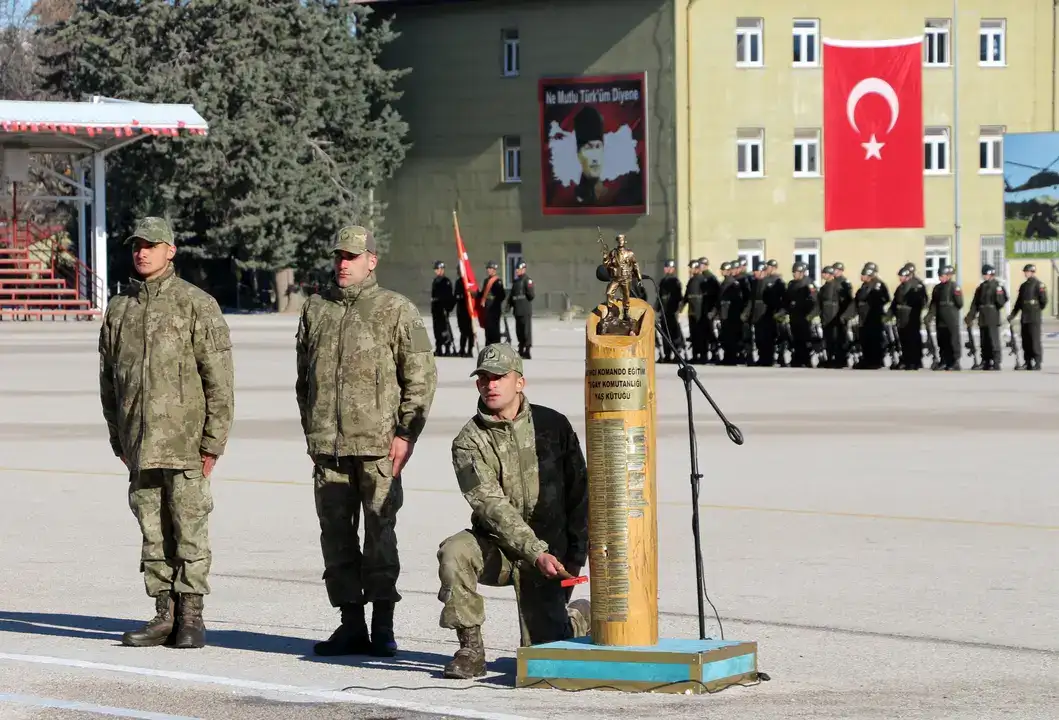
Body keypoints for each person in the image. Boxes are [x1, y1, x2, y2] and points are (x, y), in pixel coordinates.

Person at [296, 225, 438, 658]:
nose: (343, 263)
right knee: (336, 539)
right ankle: (351, 624)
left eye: (352, 257)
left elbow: (421, 377)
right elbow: (305, 380)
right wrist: (313, 430)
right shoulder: (316, 310)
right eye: (339, 256)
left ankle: (383, 625)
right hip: (329, 449)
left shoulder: (396, 309)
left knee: (380, 537)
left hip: (379, 447)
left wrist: (406, 434)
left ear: (371, 261)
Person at [98, 216, 235, 650]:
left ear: (170, 250)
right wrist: (119, 438)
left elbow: (219, 380)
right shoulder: (120, 309)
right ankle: (164, 613)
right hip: (139, 445)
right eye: (136, 245)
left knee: (190, 531)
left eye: (151, 245)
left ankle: (191, 616)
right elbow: (108, 380)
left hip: (185, 445)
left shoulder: (197, 304)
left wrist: (213, 442)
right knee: (152, 532)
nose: (142, 252)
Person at [437, 343, 591, 680]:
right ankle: (470, 650)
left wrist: (576, 552)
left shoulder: (553, 425)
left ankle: (578, 618)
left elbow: (579, 490)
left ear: (519, 382)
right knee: (454, 551)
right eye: (483, 378)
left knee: (541, 660)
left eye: (499, 377)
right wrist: (534, 551)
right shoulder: (469, 441)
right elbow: (490, 505)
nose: (490, 385)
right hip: (499, 548)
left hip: (550, 555)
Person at [1008, 263, 1048, 370]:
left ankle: (1037, 362)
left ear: (1032, 272)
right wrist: (1012, 314)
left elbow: (1043, 301)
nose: (1026, 273)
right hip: (1025, 317)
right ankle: (1028, 362)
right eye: (1025, 272)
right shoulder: (1023, 286)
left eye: (1027, 271)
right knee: (1025, 341)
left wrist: (1036, 310)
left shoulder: (1039, 285)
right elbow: (1019, 302)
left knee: (1034, 340)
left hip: (1034, 317)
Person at [506, 261, 535, 359]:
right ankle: (521, 348)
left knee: (526, 331)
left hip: (525, 310)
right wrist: (508, 306)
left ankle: (527, 350)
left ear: (523, 269)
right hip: (517, 311)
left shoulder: (527, 281)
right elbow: (511, 296)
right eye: (516, 269)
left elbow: (531, 296)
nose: (517, 271)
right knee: (519, 331)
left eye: (518, 269)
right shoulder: (516, 282)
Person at [430, 261, 456, 356]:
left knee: (445, 330)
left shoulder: (446, 281)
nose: (437, 271)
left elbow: (449, 297)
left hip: (443, 309)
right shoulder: (435, 281)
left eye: (439, 269)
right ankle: (439, 348)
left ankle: (447, 348)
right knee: (437, 330)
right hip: (436, 309)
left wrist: (447, 308)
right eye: (436, 270)